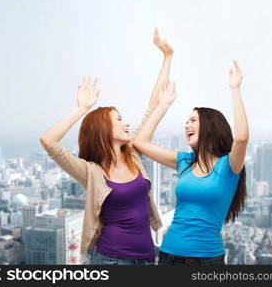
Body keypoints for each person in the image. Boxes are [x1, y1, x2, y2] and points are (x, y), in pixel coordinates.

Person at [39, 28, 173, 265]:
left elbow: (153, 106)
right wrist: (82, 109)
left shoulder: (133, 154)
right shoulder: (91, 171)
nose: (127, 122)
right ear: (103, 130)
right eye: (119, 119)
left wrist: (167, 57)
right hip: (110, 260)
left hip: (146, 257)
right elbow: (49, 141)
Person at [133, 60, 248, 265]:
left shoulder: (229, 166)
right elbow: (140, 142)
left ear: (211, 126)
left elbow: (241, 138)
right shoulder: (185, 161)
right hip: (169, 256)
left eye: (193, 120)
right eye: (186, 121)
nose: (187, 125)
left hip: (207, 260)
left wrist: (235, 89)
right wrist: (164, 105)